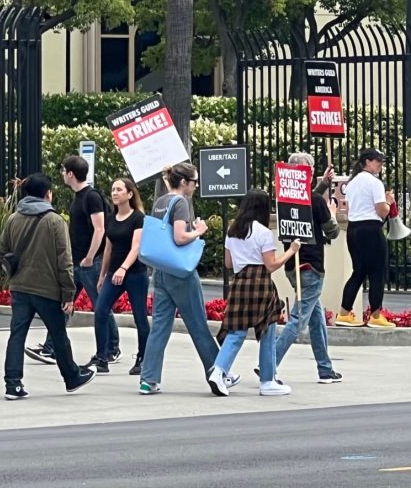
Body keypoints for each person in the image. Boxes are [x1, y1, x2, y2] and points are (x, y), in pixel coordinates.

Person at [0, 173, 96, 400]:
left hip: (20, 287)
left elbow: (1, 253)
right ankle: (72, 377)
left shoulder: (14, 218)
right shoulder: (54, 221)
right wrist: (69, 294)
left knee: (17, 335)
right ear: (47, 194)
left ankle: (13, 384)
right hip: (47, 290)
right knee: (58, 334)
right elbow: (65, 260)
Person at [139, 162, 225, 395]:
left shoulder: (160, 202)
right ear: (184, 182)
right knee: (198, 324)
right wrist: (199, 231)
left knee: (159, 326)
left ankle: (148, 378)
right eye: (194, 181)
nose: (196, 186)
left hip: (161, 271)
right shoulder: (181, 203)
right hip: (181, 273)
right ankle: (219, 370)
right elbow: (179, 237)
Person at [25, 155, 119, 365]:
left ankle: (112, 348)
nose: (61, 174)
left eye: (63, 170)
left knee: (100, 305)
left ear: (70, 173)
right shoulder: (79, 196)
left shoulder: (91, 196)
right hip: (76, 262)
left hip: (89, 263)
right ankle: (51, 347)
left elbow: (100, 229)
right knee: (64, 303)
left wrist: (89, 257)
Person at [209, 190, 299, 397]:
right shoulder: (263, 233)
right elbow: (271, 265)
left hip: (240, 282)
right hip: (260, 282)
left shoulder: (232, 231)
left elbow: (228, 263)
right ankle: (267, 380)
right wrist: (291, 251)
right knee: (267, 328)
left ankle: (219, 370)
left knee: (236, 330)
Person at [273, 152, 344, 384]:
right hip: (312, 266)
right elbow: (332, 231)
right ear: (308, 173)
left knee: (316, 319)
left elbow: (307, 200)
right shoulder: (316, 202)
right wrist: (332, 214)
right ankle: (269, 363)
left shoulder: (284, 199)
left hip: (293, 265)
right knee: (299, 320)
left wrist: (324, 183)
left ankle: (325, 368)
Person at [92, 178, 150, 375]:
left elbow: (137, 247)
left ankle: (143, 359)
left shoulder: (138, 218)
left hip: (135, 274)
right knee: (100, 311)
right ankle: (102, 357)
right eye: (113, 189)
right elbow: (108, 250)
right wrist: (102, 275)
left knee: (140, 317)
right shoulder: (110, 218)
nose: (115, 193)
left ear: (130, 194)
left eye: (119, 189)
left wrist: (123, 268)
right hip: (113, 273)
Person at [336, 148, 397, 328]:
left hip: (354, 229)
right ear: (367, 162)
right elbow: (381, 210)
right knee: (378, 272)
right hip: (371, 228)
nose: (381, 164)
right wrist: (389, 202)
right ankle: (376, 315)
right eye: (378, 161)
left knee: (359, 271)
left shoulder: (352, 182)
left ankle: (344, 313)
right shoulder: (374, 182)